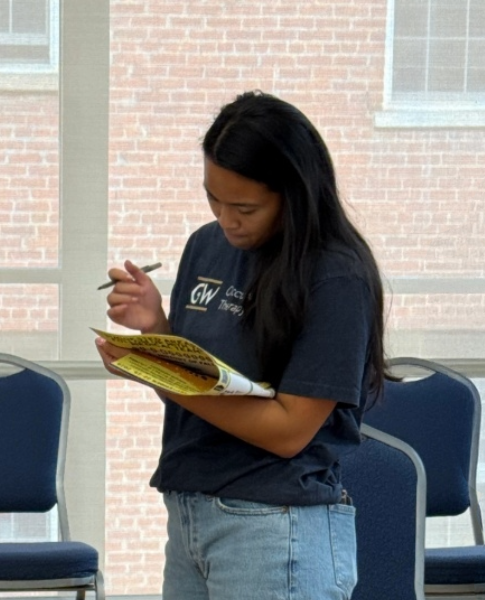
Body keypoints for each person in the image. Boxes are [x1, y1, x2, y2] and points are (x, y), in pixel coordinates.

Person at [95, 90, 391, 599]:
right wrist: (156, 332)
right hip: (191, 509)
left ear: (294, 193)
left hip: (276, 525)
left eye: (246, 207)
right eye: (213, 198)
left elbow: (288, 432)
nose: (226, 219)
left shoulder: (334, 275)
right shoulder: (205, 246)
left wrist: (157, 370)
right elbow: (199, 387)